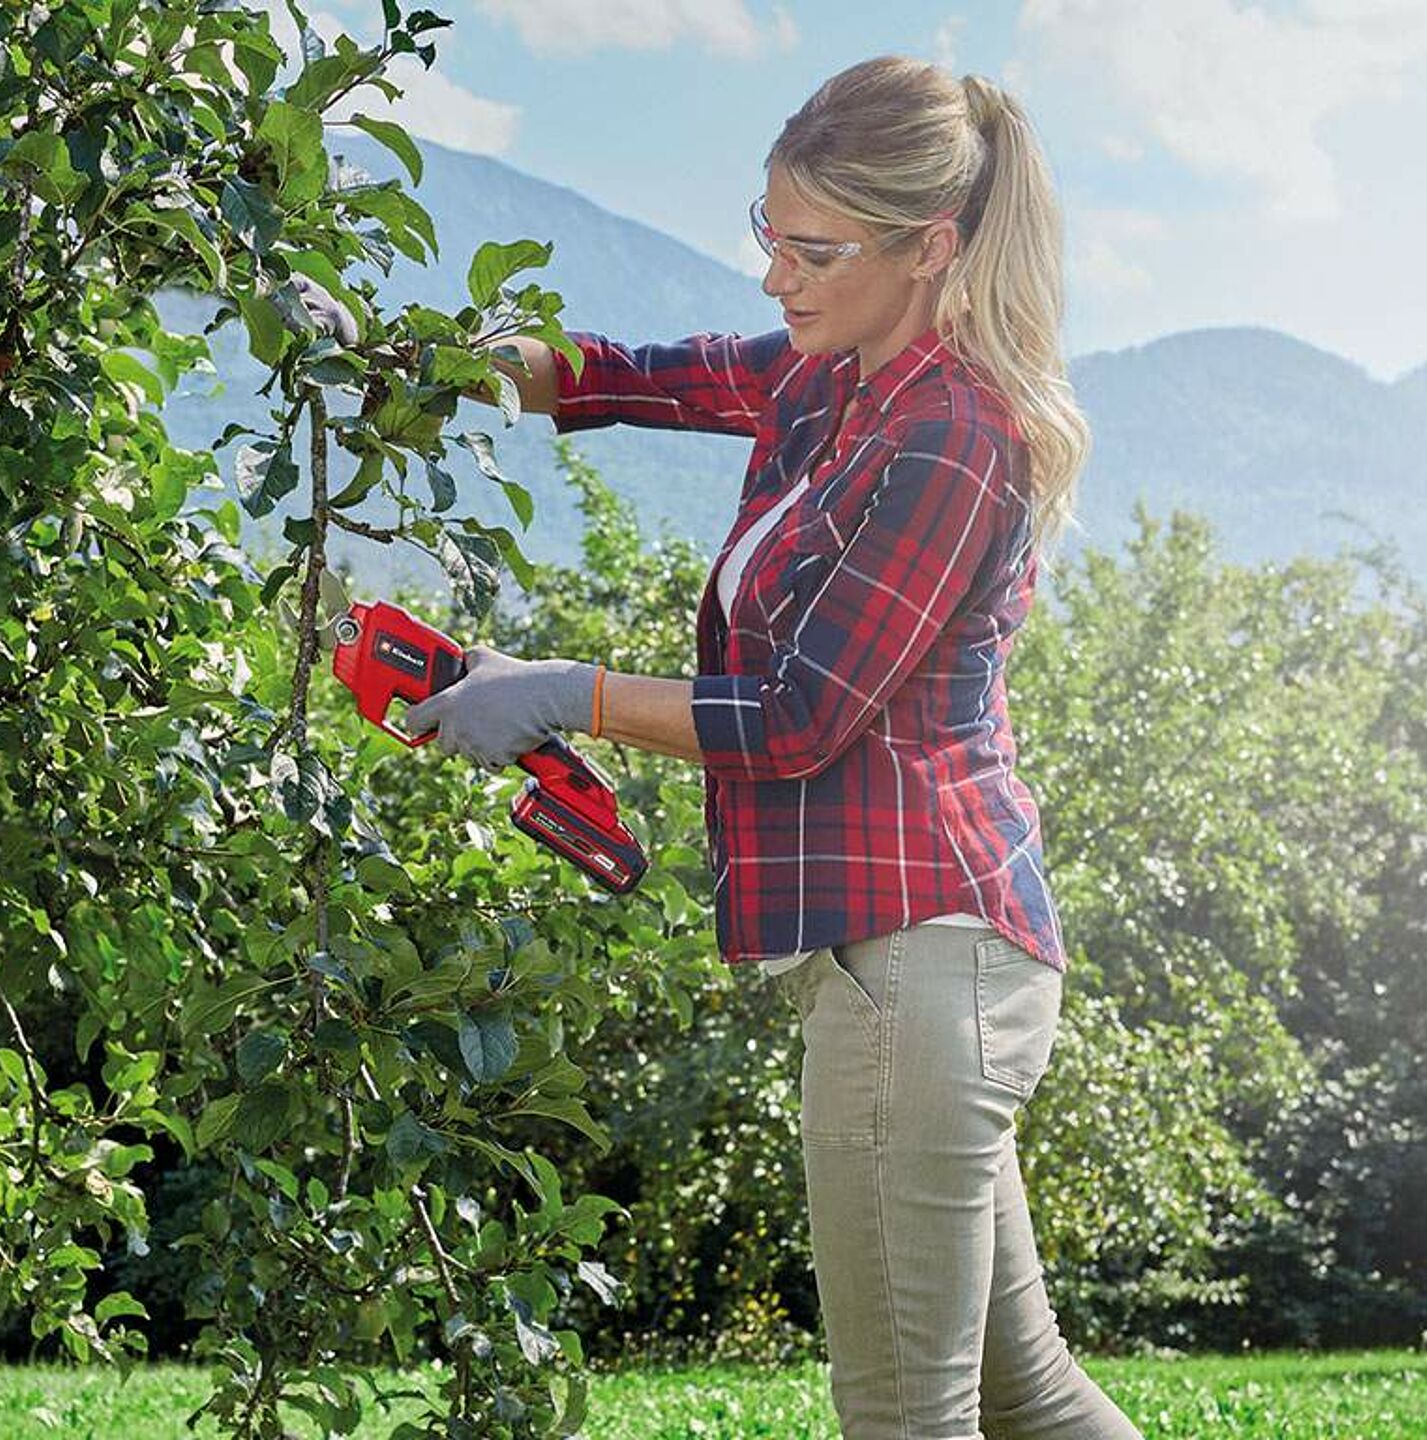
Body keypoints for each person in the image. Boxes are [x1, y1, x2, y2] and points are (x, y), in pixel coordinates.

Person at [395, 55, 1143, 1440]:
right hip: (923, 967)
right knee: (1028, 1396)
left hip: (915, 972)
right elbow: (642, 379)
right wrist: (443, 371)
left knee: (904, 1418)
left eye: (812, 249)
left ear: (932, 249)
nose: (774, 278)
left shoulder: (951, 435)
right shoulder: (837, 377)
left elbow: (802, 715)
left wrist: (562, 692)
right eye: (767, 235)